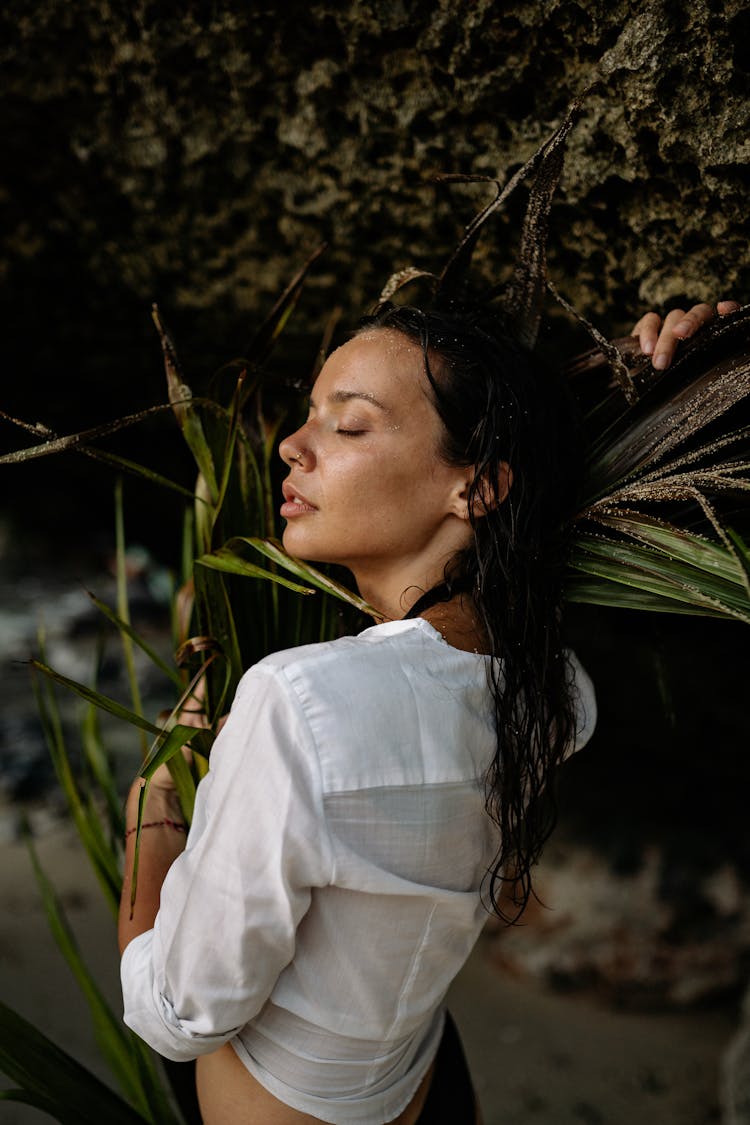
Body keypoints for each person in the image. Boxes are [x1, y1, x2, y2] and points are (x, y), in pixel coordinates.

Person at [118, 298, 736, 1125]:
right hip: (421, 1087)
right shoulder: (553, 691)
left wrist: (151, 813)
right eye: (309, 416)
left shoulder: (294, 702)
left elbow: (182, 1013)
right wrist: (689, 371)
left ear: (477, 486)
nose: (291, 447)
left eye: (350, 426)